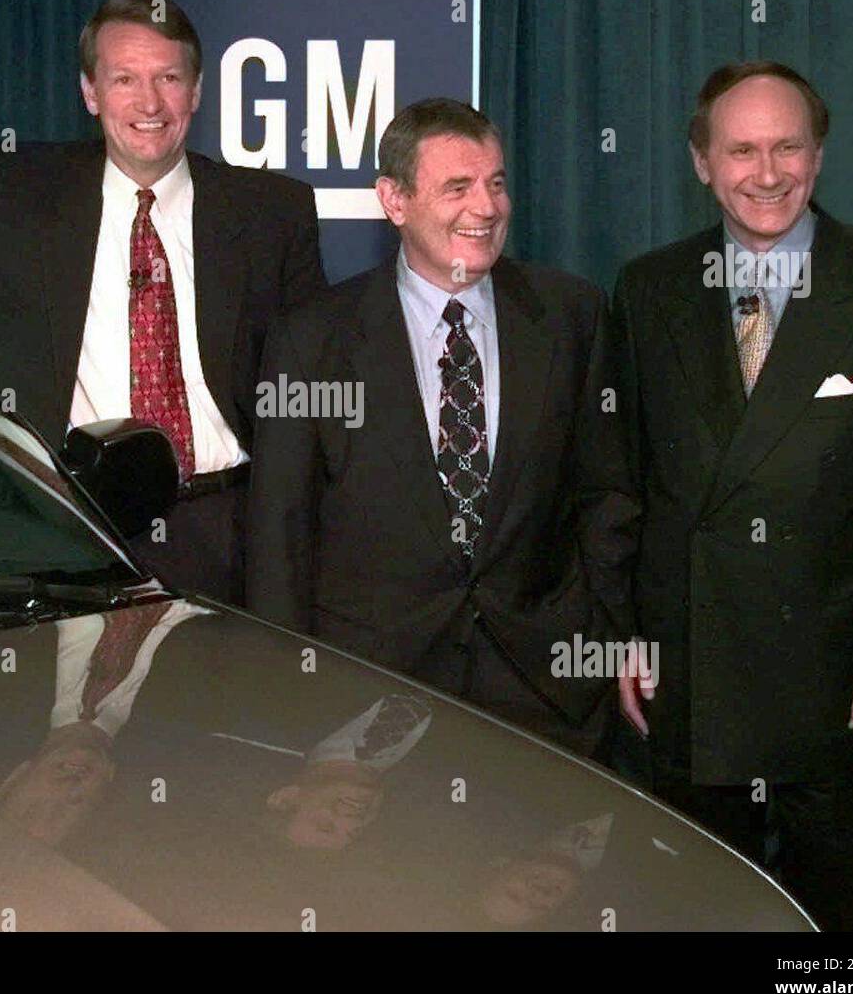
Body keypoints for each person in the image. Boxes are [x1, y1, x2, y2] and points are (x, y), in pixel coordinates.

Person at [0, 0, 325, 604]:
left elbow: (309, 393)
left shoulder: (272, 213)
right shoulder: (16, 190)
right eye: (124, 79)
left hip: (224, 535)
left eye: (168, 78)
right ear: (90, 93)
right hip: (52, 532)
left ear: (195, 92)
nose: (149, 103)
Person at [610, 61, 853, 931]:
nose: (766, 173)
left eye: (787, 147)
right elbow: (623, 481)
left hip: (845, 691)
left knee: (840, 932)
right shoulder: (647, 289)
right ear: (701, 163)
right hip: (691, 675)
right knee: (695, 911)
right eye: (741, 150)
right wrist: (623, 636)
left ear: (820, 154)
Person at [246, 98, 640, 756]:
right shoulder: (313, 339)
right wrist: (289, 691)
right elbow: (280, 531)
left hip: (544, 695)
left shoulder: (572, 314)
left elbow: (606, 494)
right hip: (371, 700)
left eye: (496, 182)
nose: (487, 207)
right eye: (458, 186)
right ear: (393, 201)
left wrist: (602, 634)